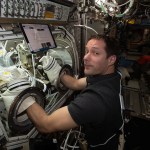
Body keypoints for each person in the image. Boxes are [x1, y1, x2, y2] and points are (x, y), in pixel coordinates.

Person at [20, 34, 124, 150]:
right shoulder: (112, 76)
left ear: (111, 59)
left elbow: (45, 125)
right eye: (87, 51)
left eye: (95, 53)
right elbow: (75, 83)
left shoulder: (96, 99)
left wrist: (22, 93)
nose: (85, 57)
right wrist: (56, 71)